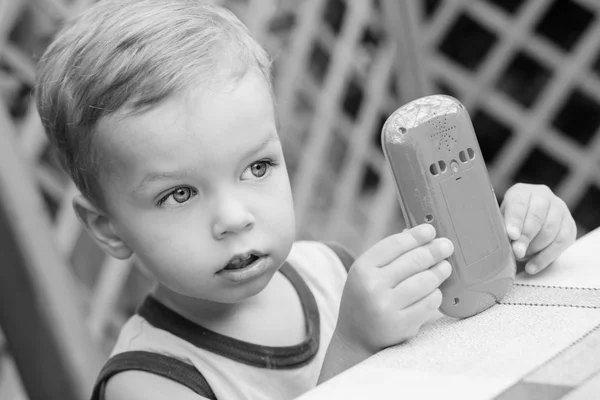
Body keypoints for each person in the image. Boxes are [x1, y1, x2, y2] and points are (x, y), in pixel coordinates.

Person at [35, 1, 577, 399]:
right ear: (107, 227)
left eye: (257, 167)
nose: (234, 217)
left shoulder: (330, 270)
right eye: (179, 194)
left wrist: (519, 251)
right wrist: (354, 348)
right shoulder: (151, 381)